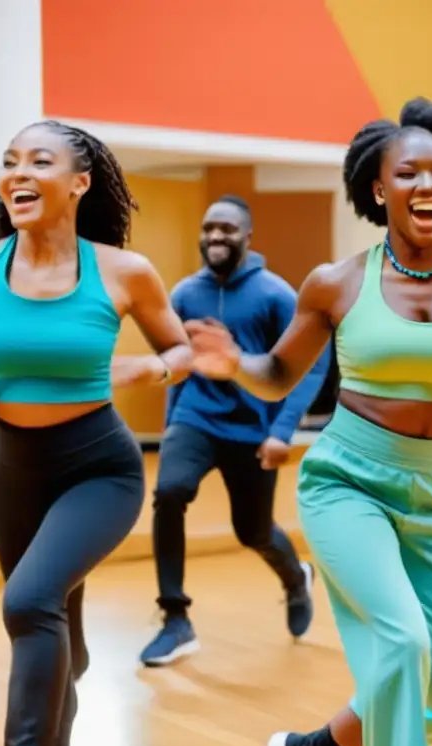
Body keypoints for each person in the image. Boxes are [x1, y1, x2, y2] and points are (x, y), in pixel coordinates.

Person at [184, 97, 432, 746]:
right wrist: (236, 365)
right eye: (407, 174)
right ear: (378, 189)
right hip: (347, 481)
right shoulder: (337, 284)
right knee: (402, 644)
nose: (426, 186)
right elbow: (279, 372)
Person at [0, 120, 192, 746]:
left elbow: (179, 348)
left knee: (30, 602)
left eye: (40, 161)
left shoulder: (123, 271)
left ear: (80, 183)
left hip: (99, 469)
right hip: (11, 467)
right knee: (58, 632)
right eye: (11, 162)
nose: (19, 173)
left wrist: (155, 368)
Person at [139, 195, 330, 667]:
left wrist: (283, 430)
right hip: (195, 418)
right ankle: (175, 619)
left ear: (248, 236)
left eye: (226, 228)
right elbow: (178, 364)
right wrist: (171, 427)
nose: (215, 237)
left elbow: (311, 364)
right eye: (208, 229)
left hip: (254, 428)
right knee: (170, 492)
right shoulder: (184, 293)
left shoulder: (275, 295)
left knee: (253, 530)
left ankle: (295, 577)